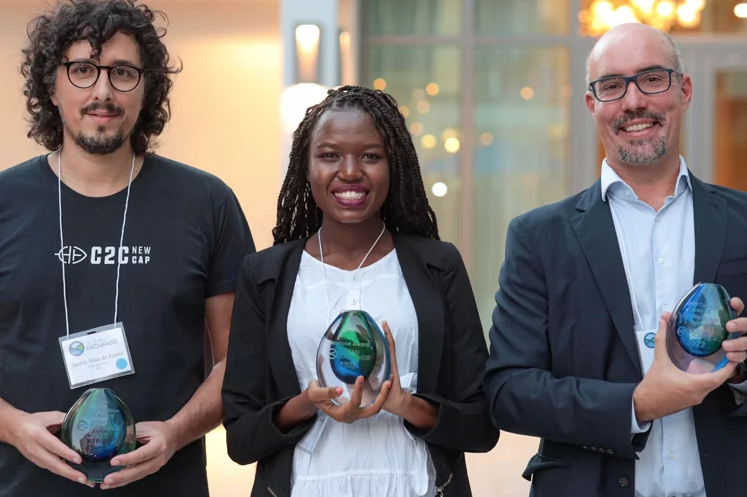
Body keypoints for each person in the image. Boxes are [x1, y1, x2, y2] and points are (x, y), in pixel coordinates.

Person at [0, 1, 254, 496]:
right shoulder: (4, 203)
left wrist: (177, 432)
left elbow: (239, 360)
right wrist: (12, 427)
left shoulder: (207, 203)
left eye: (122, 72)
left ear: (147, 88)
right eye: (81, 70)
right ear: (51, 86)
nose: (102, 91)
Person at [483, 22, 747, 497]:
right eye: (612, 86)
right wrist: (636, 403)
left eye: (651, 78)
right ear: (592, 105)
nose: (632, 102)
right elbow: (507, 391)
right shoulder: (538, 237)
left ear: (683, 91)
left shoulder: (745, 221)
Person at [221, 85, 498, 497]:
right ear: (306, 166)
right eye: (329, 155)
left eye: (370, 156)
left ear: (394, 166)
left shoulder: (438, 266)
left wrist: (405, 404)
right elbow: (241, 438)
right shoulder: (265, 275)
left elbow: (481, 425)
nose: (350, 171)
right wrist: (307, 403)